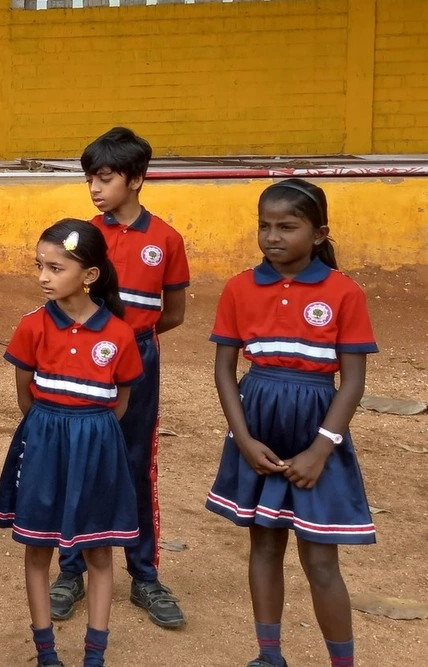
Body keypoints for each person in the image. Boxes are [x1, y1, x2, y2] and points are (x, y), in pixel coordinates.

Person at [206, 179, 377, 667]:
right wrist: (243, 439)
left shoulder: (344, 293)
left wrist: (321, 449)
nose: (272, 236)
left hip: (317, 432)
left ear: (319, 233)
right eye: (264, 226)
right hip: (258, 427)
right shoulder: (239, 287)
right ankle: (269, 656)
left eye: (287, 226)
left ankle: (342, 662)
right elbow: (224, 369)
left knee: (321, 560)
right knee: (263, 546)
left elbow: (352, 382)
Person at [52, 127, 191, 628]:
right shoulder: (81, 236)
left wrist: (133, 340)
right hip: (81, 361)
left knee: (135, 464)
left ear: (136, 179)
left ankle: (145, 575)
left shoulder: (166, 239)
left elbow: (171, 313)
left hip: (139, 359)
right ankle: (70, 572)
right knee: (78, 462)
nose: (94, 187)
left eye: (105, 177)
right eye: (90, 177)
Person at [0, 219, 142, 667]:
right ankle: (47, 654)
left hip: (97, 451)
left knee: (99, 551)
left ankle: (94, 656)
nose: (43, 276)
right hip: (42, 445)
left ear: (90, 275)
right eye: (39, 265)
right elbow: (26, 398)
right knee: (38, 548)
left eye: (55, 268)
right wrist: (55, 432)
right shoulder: (31, 327)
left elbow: (120, 403)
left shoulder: (118, 334)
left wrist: (86, 434)